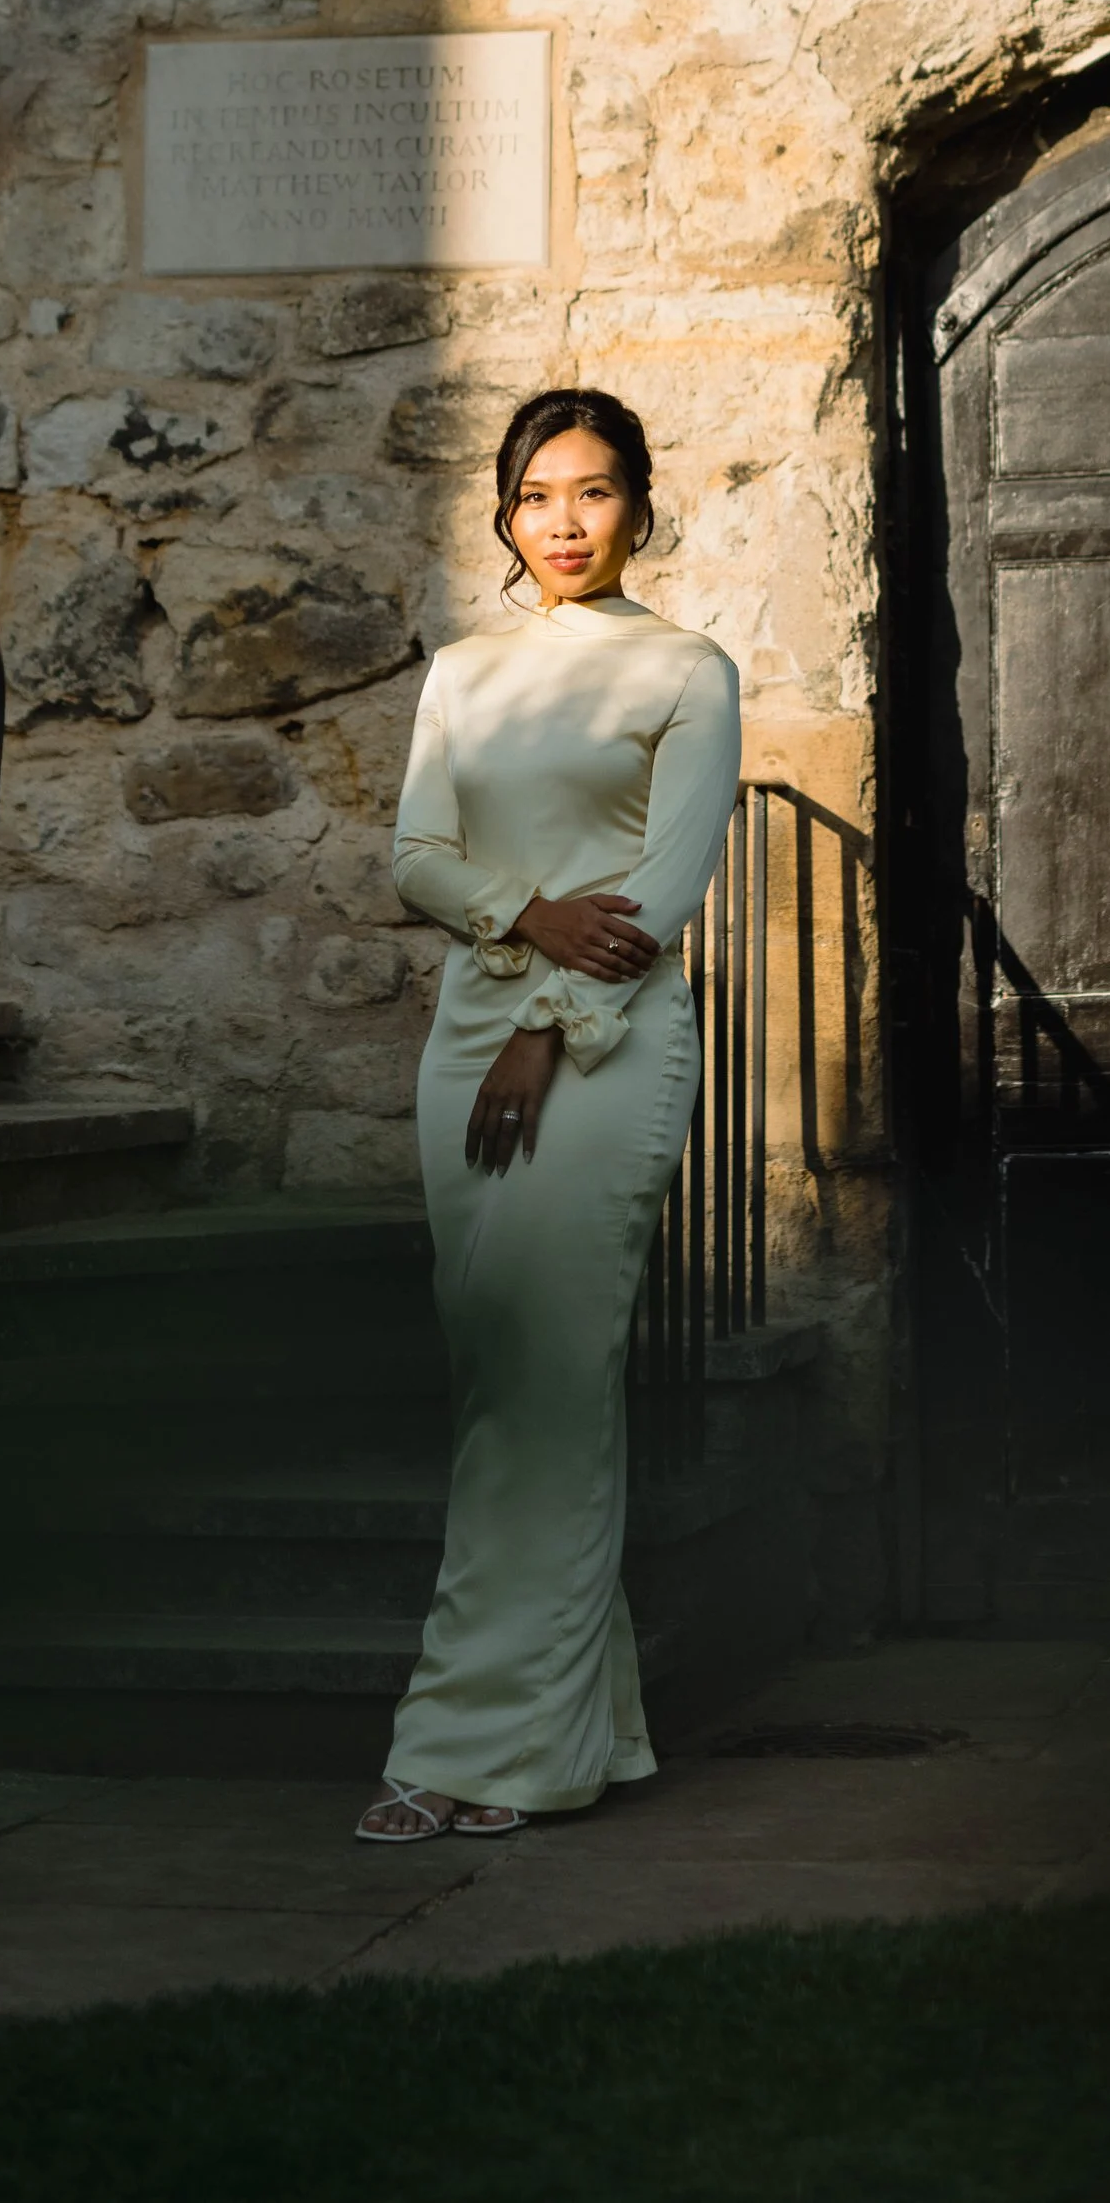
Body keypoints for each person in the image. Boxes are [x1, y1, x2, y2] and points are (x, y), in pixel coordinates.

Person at [355, 387, 742, 1843]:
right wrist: (515, 913)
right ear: (504, 512)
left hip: (603, 1047)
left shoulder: (688, 673)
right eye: (533, 496)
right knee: (511, 1398)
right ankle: (580, 1731)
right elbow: (416, 856)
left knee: (540, 1393)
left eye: (590, 493)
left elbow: (662, 890)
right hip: (467, 1046)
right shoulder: (463, 670)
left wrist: (542, 1026)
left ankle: (462, 1749)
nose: (561, 523)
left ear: (640, 502)